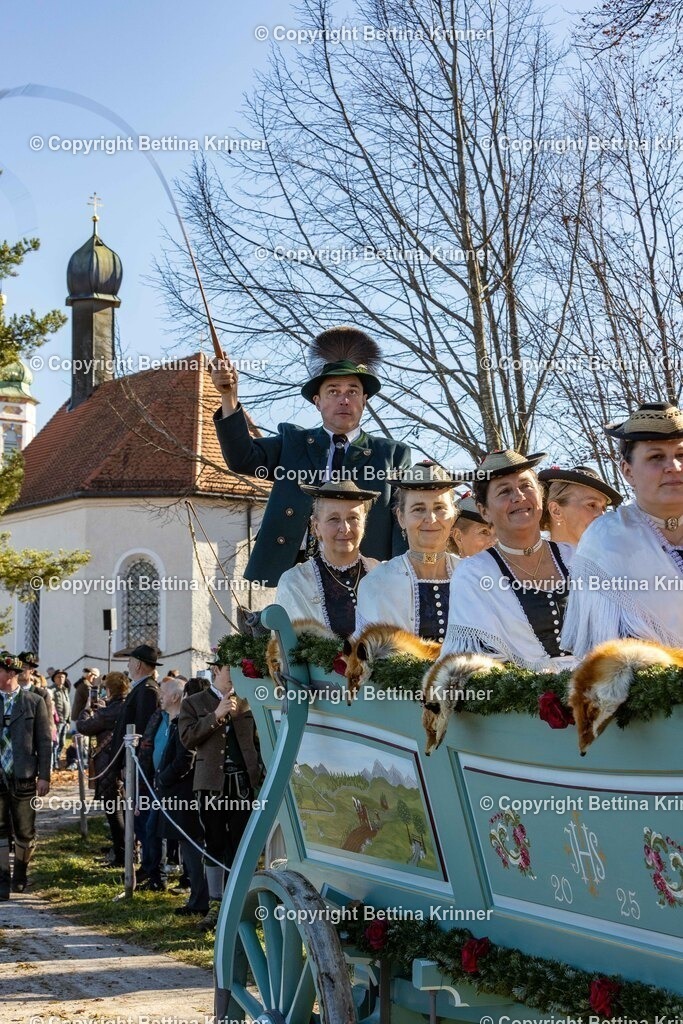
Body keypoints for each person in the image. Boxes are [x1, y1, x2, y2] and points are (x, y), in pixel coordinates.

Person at [209, 327, 412, 586]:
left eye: (352, 391)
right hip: (297, 571)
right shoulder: (293, 443)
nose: (344, 399)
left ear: (365, 400)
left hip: (367, 576)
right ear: (317, 401)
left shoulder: (392, 455)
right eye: (333, 391)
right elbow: (242, 458)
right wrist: (229, 396)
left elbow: (401, 523)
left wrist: (398, 580)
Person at [562, 402, 683, 656]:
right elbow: (604, 654)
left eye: (681, 455)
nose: (673, 467)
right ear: (627, 471)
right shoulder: (605, 539)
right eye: (656, 457)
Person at [443, 450, 575, 671]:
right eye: (505, 491)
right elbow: (473, 662)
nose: (519, 496)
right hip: (521, 699)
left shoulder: (576, 559)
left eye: (526, 486)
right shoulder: (474, 574)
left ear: (541, 496)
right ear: (484, 511)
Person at [178, 654, 263, 932]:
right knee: (214, 843)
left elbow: (257, 742)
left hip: (242, 785)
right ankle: (215, 903)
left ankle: (242, 904)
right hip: (210, 785)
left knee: (242, 846)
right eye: (230, 670)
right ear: (215, 670)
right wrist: (216, 715)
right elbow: (188, 738)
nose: (235, 675)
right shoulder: (193, 702)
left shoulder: (249, 702)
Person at [355, 462, 459, 643]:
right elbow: (367, 657)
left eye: (439, 508)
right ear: (401, 518)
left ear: (454, 516)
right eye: (418, 509)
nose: (431, 519)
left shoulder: (472, 576)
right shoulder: (377, 583)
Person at [275, 479, 381, 638]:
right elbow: (290, 653)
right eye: (334, 519)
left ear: (364, 523)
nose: (345, 529)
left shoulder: (382, 574)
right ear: (316, 527)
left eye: (353, 518)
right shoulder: (295, 583)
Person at [140, 676, 209, 915]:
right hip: (171, 791)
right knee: (185, 845)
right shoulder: (172, 721)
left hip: (183, 793)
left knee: (192, 846)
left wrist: (163, 778)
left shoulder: (184, 722)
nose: (160, 696)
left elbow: (184, 760)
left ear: (176, 696)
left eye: (163, 693)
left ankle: (201, 902)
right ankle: (198, 900)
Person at [0, 652, 51, 898]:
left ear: (11, 673)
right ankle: (1, 879)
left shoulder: (34, 701)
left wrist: (44, 776)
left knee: (24, 832)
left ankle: (20, 872)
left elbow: (44, 741)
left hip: (24, 776)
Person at [109, 644, 162, 883]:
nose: (128, 666)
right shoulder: (140, 689)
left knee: (144, 819)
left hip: (140, 766)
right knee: (139, 817)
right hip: (131, 764)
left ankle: (153, 870)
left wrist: (132, 763)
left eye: (130, 661)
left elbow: (142, 732)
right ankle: (148, 867)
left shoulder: (148, 691)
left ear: (139, 664)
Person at [76, 671, 130, 867]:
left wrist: (88, 709)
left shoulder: (109, 711)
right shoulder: (124, 706)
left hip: (109, 766)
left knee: (114, 812)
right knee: (122, 811)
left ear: (109, 689)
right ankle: (123, 852)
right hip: (120, 766)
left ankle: (122, 856)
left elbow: (83, 726)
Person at [538, 465, 622, 545]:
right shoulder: (532, 559)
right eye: (592, 505)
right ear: (556, 511)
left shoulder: (616, 558)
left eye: (604, 508)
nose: (602, 515)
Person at [49, 669, 71, 769]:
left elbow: (68, 705)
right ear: (54, 679)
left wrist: (68, 721)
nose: (61, 678)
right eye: (58, 677)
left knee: (62, 743)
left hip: (64, 722)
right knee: (55, 743)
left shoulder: (65, 690)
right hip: (56, 722)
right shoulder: (52, 690)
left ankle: (57, 759)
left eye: (63, 677)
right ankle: (54, 763)